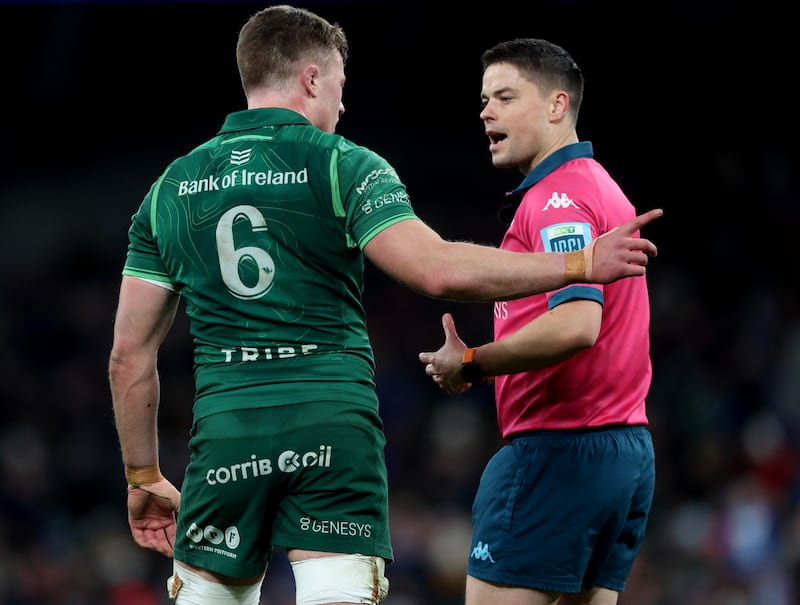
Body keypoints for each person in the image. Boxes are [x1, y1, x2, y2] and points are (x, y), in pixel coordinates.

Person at [108, 7, 661, 605]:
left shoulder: (169, 189)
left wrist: (142, 477)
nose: (342, 108)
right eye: (341, 87)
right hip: (332, 425)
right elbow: (437, 269)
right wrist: (579, 265)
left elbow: (127, 358)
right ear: (313, 79)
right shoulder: (344, 164)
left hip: (225, 434)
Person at [419, 38, 657, 605]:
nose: (485, 111)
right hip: (625, 451)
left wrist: (472, 364)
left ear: (556, 106)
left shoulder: (557, 198)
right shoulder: (601, 186)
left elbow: (576, 326)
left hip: (559, 452)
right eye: (483, 99)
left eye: (504, 96)